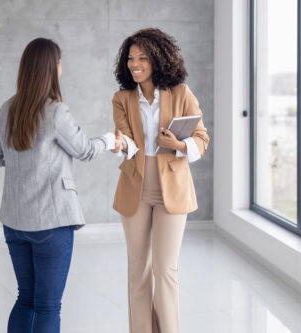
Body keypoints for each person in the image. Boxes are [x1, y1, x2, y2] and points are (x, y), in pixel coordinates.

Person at [0, 37, 121, 333]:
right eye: (59, 62)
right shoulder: (56, 111)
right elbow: (84, 150)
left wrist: (26, 165)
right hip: (51, 223)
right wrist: (110, 140)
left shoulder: (6, 109)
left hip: (14, 222)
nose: (62, 67)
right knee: (48, 306)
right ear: (51, 67)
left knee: (25, 299)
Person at [111, 28, 210, 333]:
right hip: (135, 187)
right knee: (138, 272)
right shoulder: (121, 98)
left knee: (165, 270)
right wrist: (122, 144)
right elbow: (128, 141)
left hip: (173, 189)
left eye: (142, 57)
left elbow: (202, 139)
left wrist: (179, 145)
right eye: (130, 58)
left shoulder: (181, 92)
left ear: (158, 60)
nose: (134, 64)